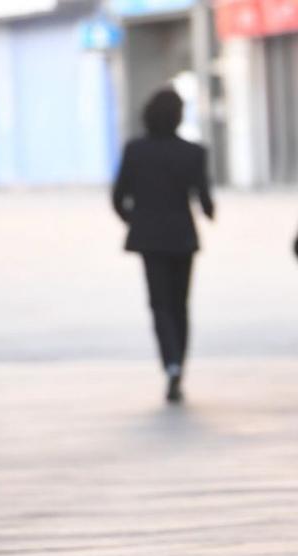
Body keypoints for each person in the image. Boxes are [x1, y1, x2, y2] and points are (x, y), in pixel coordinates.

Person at [112, 88, 214, 404]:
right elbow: (204, 198)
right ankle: (178, 364)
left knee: (159, 304)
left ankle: (169, 363)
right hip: (182, 236)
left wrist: (135, 219)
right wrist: (210, 211)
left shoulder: (135, 150)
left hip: (150, 238)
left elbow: (118, 196)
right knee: (180, 304)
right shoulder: (193, 152)